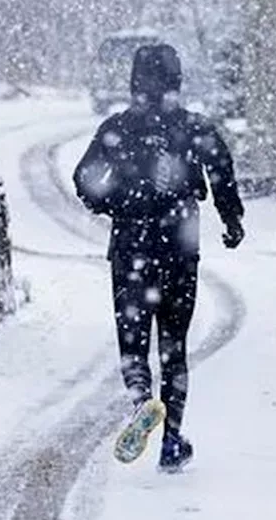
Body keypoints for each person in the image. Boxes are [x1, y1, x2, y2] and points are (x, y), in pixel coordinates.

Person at [72, 43, 245, 473]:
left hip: (131, 247)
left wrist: (117, 202)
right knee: (174, 346)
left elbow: (85, 178)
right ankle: (170, 440)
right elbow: (221, 172)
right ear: (177, 82)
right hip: (179, 248)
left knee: (133, 338)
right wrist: (231, 220)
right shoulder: (195, 128)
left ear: (133, 82)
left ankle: (138, 400)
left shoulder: (117, 129)